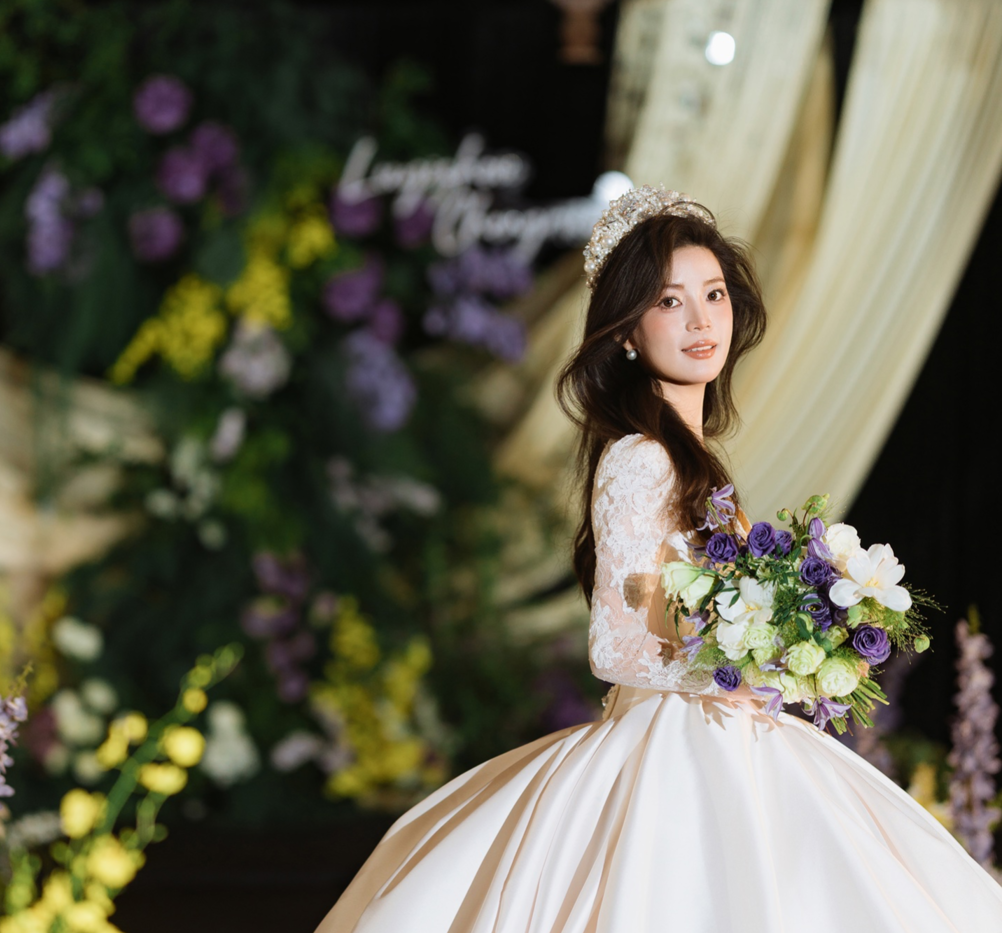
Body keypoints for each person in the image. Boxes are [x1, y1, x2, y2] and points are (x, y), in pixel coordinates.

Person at [313, 185, 1002, 932]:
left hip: (733, 737)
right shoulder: (643, 458)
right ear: (628, 334)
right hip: (675, 750)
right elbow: (613, 645)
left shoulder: (690, 458)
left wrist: (794, 648)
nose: (702, 320)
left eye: (714, 294)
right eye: (671, 302)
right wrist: (746, 669)